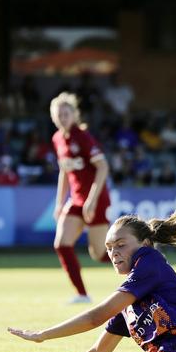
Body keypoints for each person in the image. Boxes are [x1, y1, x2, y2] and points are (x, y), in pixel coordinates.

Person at [8, 209, 176, 352]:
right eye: (109, 248)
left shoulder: (150, 261)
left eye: (121, 245)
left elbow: (95, 316)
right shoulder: (126, 308)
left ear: (145, 243)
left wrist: (43, 335)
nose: (114, 253)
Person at [50, 92, 111, 304]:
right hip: (75, 201)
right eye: (58, 114)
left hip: (96, 199)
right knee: (62, 244)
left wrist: (92, 200)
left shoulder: (83, 137)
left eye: (66, 113)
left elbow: (103, 166)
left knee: (101, 254)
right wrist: (59, 202)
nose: (62, 118)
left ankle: (147, 258)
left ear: (75, 115)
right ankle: (82, 294)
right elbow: (64, 172)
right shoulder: (58, 139)